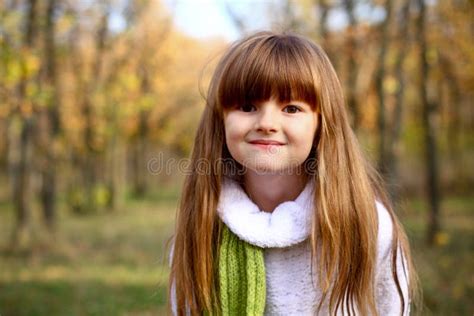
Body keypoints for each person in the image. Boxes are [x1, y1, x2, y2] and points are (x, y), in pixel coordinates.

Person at [168, 31, 419, 315]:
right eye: (248, 106)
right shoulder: (201, 228)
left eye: (291, 108)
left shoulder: (366, 224)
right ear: (221, 120)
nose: (267, 123)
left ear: (322, 124)